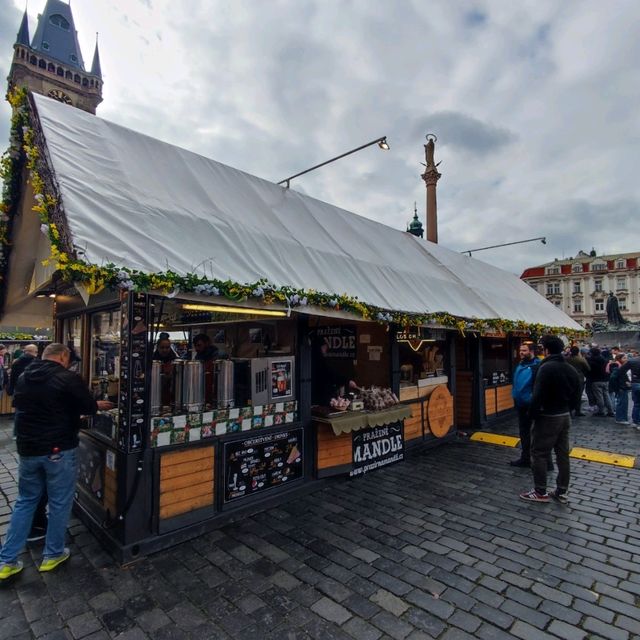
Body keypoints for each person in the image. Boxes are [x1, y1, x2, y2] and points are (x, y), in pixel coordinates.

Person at [0, 344, 113, 581]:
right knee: (60, 501)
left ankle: (7, 560)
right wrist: (93, 407)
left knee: (25, 501)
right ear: (63, 356)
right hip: (58, 447)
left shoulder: (23, 377)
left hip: (28, 448)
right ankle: (53, 554)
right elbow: (86, 405)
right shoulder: (67, 378)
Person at [519, 335, 581, 504]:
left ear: (546, 350)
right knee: (562, 454)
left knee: (538, 452)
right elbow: (577, 391)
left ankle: (540, 491)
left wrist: (532, 414)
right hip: (564, 415)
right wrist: (570, 408)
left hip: (548, 416)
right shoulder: (570, 368)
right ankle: (561, 490)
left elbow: (538, 395)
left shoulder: (546, 368)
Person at [510, 343, 552, 470]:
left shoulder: (538, 366)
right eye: (520, 350)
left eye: (524, 350)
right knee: (524, 434)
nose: (521, 352)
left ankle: (547, 462)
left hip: (533, 405)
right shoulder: (520, 365)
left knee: (540, 435)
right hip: (521, 405)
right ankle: (525, 458)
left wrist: (535, 401)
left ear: (532, 351)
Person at [587, 347, 614, 417]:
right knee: (607, 396)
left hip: (596, 380)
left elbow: (589, 371)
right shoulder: (605, 360)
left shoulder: (591, 361)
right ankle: (610, 411)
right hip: (605, 380)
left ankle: (601, 411)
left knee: (599, 397)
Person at [193, 333, 219, 405]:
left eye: (199, 345)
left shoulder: (218, 357)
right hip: (201, 393)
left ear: (207, 343)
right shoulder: (198, 357)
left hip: (215, 394)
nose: (197, 348)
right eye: (195, 346)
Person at [565, 346, 590, 416]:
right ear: (578, 352)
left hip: (568, 378)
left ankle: (569, 410)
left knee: (569, 394)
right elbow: (588, 368)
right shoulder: (581, 359)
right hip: (579, 378)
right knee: (578, 395)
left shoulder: (566, 359)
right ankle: (577, 410)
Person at [618, 353, 640, 429]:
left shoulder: (632, 361)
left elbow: (621, 370)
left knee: (637, 404)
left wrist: (626, 380)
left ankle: (636, 422)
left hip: (635, 383)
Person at [609, 354, 631, 424]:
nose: (626, 359)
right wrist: (618, 387)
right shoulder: (618, 368)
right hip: (621, 388)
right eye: (624, 358)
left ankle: (622, 418)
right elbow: (612, 378)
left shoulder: (621, 367)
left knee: (623, 403)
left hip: (622, 387)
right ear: (619, 359)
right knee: (621, 403)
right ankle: (620, 419)